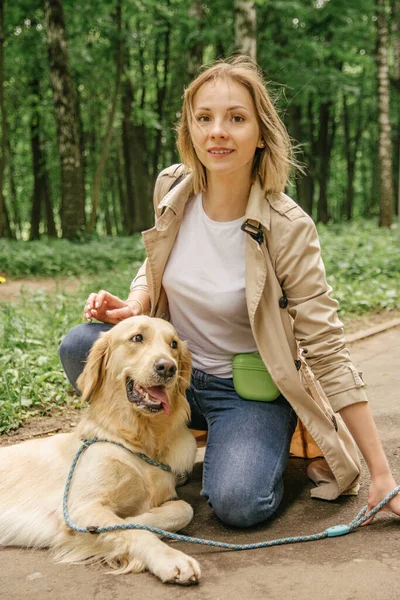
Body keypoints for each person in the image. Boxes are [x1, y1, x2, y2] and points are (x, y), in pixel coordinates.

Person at [59, 56, 400, 528]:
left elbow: (327, 348)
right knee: (81, 344)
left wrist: (381, 474)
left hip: (244, 391)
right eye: (205, 118)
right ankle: (154, 448)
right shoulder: (173, 186)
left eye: (236, 118)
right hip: (172, 375)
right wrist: (135, 303)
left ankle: (269, 441)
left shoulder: (288, 226)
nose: (218, 131)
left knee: (238, 504)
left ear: (260, 132)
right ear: (191, 130)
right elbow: (156, 262)